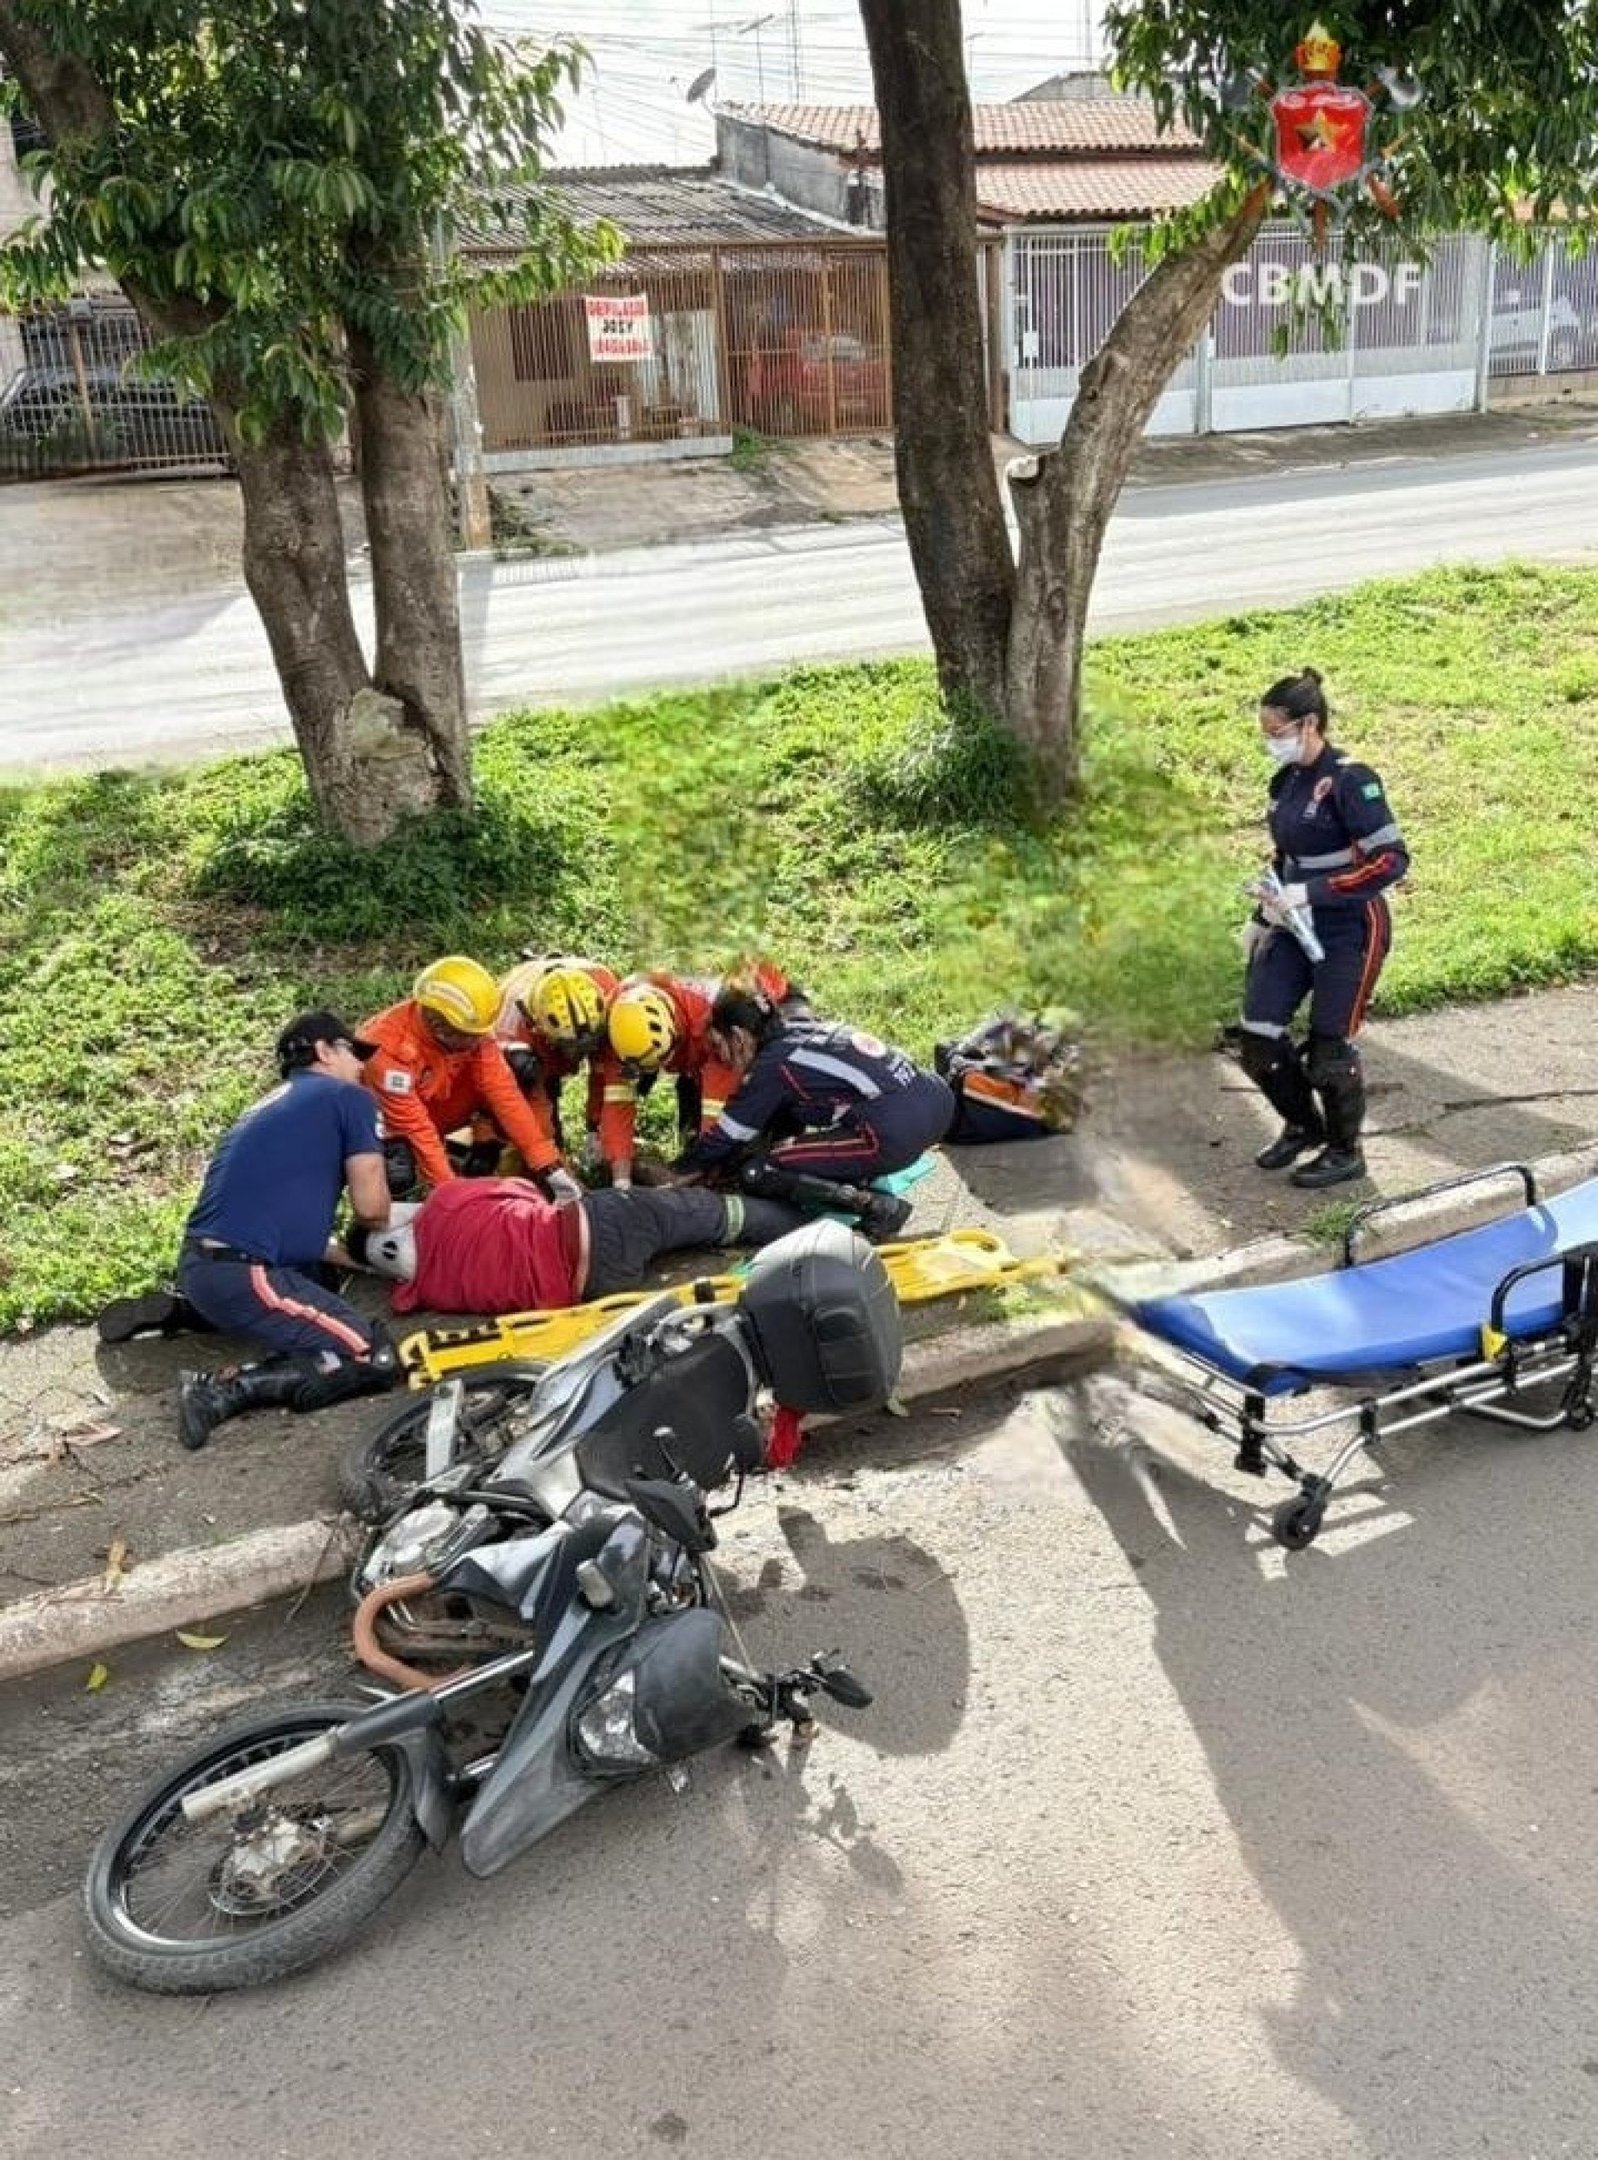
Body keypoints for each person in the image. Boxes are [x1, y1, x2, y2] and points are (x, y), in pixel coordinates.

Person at [169, 1011, 402, 1451]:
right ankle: (220, 1389)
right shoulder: (349, 1099)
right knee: (372, 1355)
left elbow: (295, 1231)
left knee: (322, 1278)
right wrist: (392, 1184)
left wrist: (368, 1262)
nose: (361, 1065)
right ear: (324, 1051)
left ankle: (190, 1313)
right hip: (246, 1274)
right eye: (353, 1052)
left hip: (203, 1265)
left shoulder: (269, 1106)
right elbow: (373, 1210)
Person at [1239, 668, 1409, 1190]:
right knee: (1258, 1037)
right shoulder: (1285, 781)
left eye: (1276, 732)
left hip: (1349, 927)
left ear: (1309, 724)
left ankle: (1345, 1150)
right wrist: (1263, 913)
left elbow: (1390, 860)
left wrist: (1312, 892)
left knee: (1329, 1051)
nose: (1270, 742)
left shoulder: (1352, 779)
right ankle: (1302, 1126)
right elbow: (1286, 854)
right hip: (1292, 922)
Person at [673, 990, 956, 1237]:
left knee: (758, 1172)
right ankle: (858, 1178)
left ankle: (876, 1206)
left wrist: (680, 1171)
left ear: (738, 1037)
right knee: (804, 1139)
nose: (720, 1057)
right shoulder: (800, 1029)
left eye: (718, 1045)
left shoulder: (773, 1065)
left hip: (895, 1132)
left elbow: (729, 1134)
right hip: (937, 1100)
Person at [348, 1175, 807, 1316]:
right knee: (712, 1213)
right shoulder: (448, 1201)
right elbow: (525, 1192)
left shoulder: (425, 1292)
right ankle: (817, 1224)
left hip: (595, 1286)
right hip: (597, 1224)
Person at [357, 955, 583, 1202]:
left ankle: (483, 1149)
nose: (479, 1042)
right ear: (437, 1024)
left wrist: (548, 1164)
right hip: (392, 1126)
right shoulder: (387, 1051)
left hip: (444, 1105)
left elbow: (504, 1093)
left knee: (519, 1068)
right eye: (468, 1036)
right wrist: (453, 1196)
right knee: (398, 1171)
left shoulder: (470, 1035)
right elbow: (416, 1129)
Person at [596, 961, 807, 1190]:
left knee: (761, 1108)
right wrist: (621, 1182)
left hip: (774, 1014)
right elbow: (617, 1103)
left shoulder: (715, 1023)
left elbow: (720, 1114)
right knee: (698, 1147)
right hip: (700, 1049)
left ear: (675, 1030)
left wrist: (703, 1167)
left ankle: (784, 1150)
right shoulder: (618, 1027)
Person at [492, 953, 621, 1164]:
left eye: (588, 1044)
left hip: (584, 1016)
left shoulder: (606, 989)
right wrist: (551, 1161)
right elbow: (535, 1105)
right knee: (534, 1114)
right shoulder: (513, 1031)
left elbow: (607, 1075)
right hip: (526, 1056)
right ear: (538, 1027)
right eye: (572, 1047)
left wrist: (596, 1128)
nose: (581, 1053)